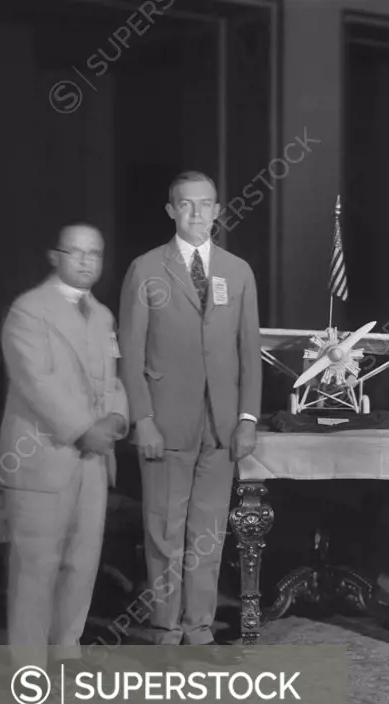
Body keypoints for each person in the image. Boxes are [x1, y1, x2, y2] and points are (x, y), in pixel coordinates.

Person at [119, 171, 261, 661]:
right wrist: (142, 419)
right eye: (186, 206)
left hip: (221, 425)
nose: (197, 214)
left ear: (219, 210)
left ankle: (199, 629)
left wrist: (247, 419)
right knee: (163, 530)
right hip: (165, 422)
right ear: (171, 211)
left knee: (208, 532)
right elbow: (130, 354)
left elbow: (249, 353)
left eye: (205, 205)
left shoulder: (238, 272)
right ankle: (165, 630)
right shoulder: (145, 270)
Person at [0, 224, 128, 670]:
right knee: (37, 565)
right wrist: (83, 429)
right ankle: (30, 666)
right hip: (42, 457)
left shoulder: (104, 316)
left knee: (81, 562)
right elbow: (36, 382)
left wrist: (116, 417)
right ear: (55, 257)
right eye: (76, 252)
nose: (86, 261)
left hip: (93, 460)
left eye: (94, 253)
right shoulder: (29, 311)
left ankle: (67, 652)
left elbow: (111, 380)